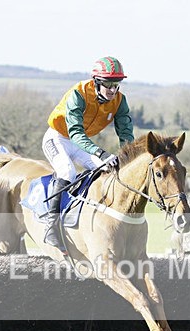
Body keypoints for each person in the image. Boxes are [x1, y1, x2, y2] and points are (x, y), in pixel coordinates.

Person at [41, 56, 135, 249]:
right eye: (108, 84)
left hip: (80, 143)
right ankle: (51, 224)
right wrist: (101, 153)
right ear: (97, 82)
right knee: (67, 172)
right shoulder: (79, 93)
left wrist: (129, 159)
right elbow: (75, 132)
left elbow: (126, 134)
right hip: (58, 137)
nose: (112, 90)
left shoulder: (119, 100)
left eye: (116, 84)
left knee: (108, 170)